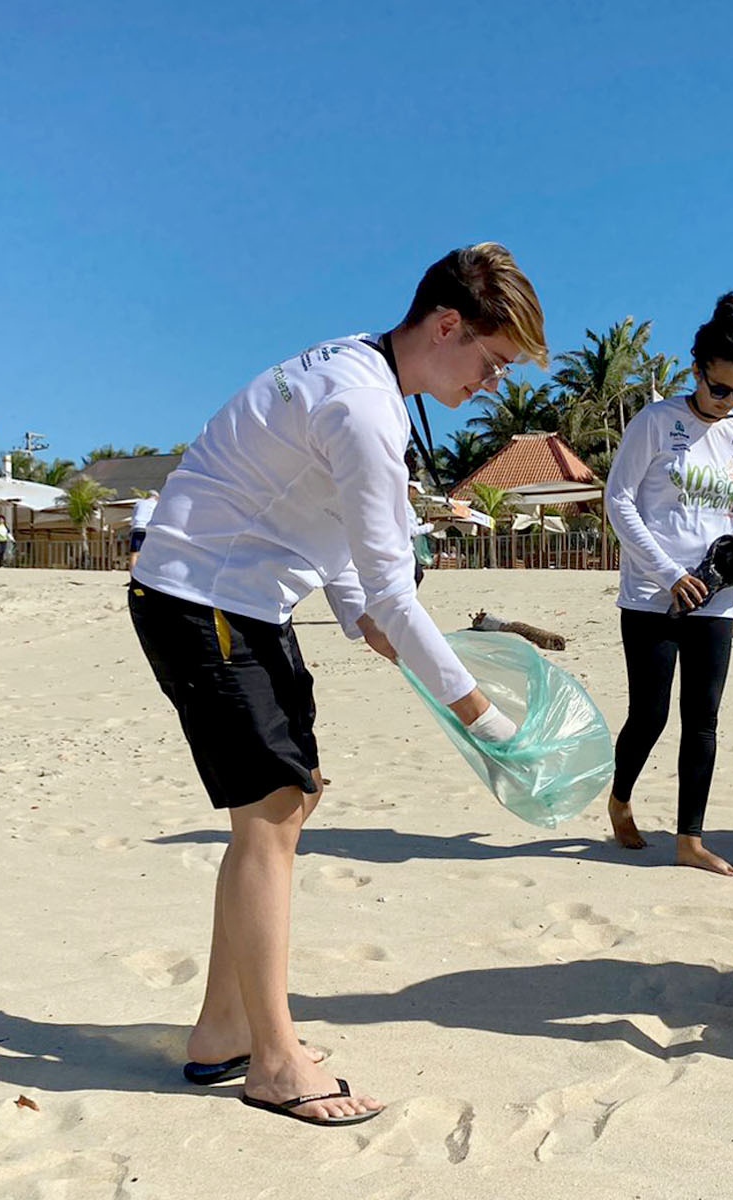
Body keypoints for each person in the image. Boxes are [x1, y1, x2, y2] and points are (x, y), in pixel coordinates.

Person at [129, 243, 546, 1126]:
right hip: (200, 596)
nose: (493, 383)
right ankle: (274, 1061)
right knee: (272, 809)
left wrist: (369, 627)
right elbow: (393, 585)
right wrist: (480, 715)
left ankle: (221, 1030)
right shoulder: (364, 403)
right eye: (493, 361)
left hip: (246, 601)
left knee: (288, 804)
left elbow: (357, 564)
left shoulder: (368, 374)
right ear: (445, 327)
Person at [603, 293, 733, 876]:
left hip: (715, 600)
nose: (727, 402)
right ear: (695, 371)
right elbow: (617, 501)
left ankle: (689, 840)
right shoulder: (656, 422)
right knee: (650, 714)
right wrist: (669, 575)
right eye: (719, 389)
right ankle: (620, 800)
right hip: (652, 595)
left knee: (703, 720)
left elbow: (731, 519)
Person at [128, 491, 159, 572]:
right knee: (149, 554)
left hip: (137, 527)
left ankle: (133, 577)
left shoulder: (139, 503)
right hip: (148, 529)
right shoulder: (156, 504)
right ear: (156, 498)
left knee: (134, 553)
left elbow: (134, 516)